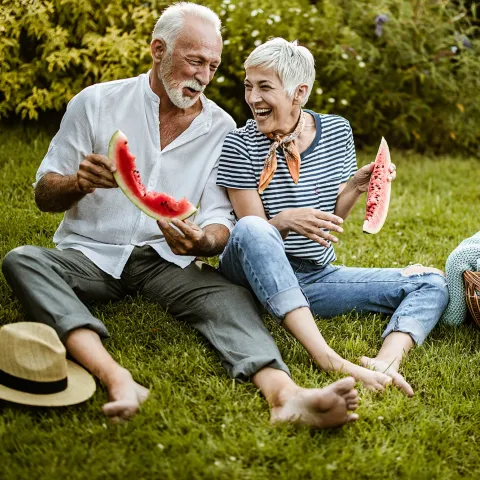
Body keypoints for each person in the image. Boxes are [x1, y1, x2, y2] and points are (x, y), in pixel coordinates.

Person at [1, 4, 359, 427]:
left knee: (229, 297)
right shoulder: (96, 103)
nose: (204, 76)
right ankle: (115, 376)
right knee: (22, 259)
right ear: (158, 50)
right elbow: (44, 192)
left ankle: (285, 395)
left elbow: (220, 221)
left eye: (212, 65)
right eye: (194, 61)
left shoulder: (222, 129)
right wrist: (77, 183)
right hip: (89, 254)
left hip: (164, 261)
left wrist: (202, 241)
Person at [217, 38, 449, 396]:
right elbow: (252, 233)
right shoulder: (238, 145)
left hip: (313, 276)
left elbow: (331, 219)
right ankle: (326, 357)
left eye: (265, 87)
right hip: (246, 278)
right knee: (252, 227)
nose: (253, 98)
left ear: (299, 92)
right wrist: (285, 220)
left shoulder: (337, 131)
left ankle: (387, 360)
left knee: (430, 282)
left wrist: (356, 187)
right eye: (249, 85)